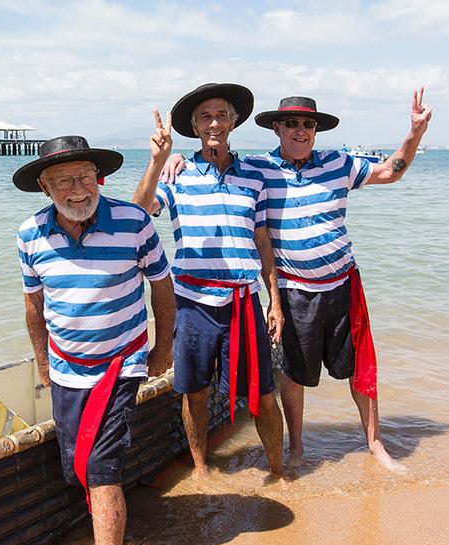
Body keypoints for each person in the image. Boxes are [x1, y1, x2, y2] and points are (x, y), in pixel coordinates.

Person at [164, 89, 432, 474]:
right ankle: (296, 450)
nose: (300, 130)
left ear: (317, 130)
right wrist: (173, 159)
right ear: (277, 128)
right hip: (292, 287)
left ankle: (375, 445)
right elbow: (218, 163)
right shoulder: (259, 170)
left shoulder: (339, 163)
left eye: (308, 124)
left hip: (342, 282)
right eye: (291, 123)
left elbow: (391, 170)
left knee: (361, 367)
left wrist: (415, 132)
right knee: (292, 372)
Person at [14, 135, 174, 545]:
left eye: (85, 176)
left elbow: (162, 289)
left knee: (101, 467)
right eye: (64, 180)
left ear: (99, 177)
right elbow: (33, 306)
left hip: (121, 364)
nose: (78, 189)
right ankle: (112, 535)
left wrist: (162, 349)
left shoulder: (134, 222)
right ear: (45, 186)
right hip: (66, 369)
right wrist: (43, 364)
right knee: (80, 467)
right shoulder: (29, 235)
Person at [134, 83, 284, 477]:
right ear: (195, 126)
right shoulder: (177, 174)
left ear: (234, 122)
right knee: (194, 393)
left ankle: (278, 470)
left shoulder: (254, 175)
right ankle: (201, 469)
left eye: (221, 115)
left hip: (243, 301)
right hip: (193, 303)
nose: (214, 123)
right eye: (205, 116)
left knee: (265, 395)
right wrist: (158, 160)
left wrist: (276, 302)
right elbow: (140, 212)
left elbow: (263, 239)